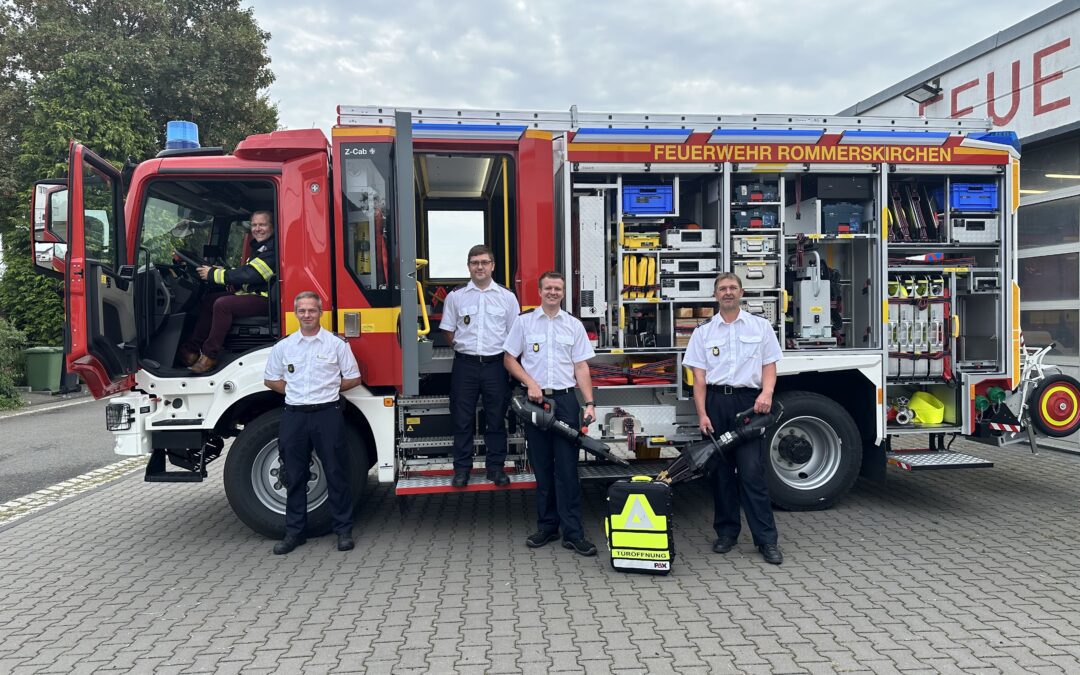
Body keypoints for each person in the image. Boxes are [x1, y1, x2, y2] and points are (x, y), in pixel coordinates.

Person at [684, 272, 784, 564]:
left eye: (732, 288)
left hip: (748, 405)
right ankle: (726, 533)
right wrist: (702, 414)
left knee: (752, 472)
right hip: (716, 403)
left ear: (741, 293)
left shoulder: (761, 327)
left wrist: (766, 394)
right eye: (722, 289)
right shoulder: (703, 332)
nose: (727, 292)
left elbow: (769, 365)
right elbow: (698, 380)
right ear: (715, 295)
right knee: (721, 474)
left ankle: (766, 540)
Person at [503, 271, 598, 556]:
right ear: (539, 291)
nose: (553, 292)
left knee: (568, 470)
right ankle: (547, 527)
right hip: (536, 404)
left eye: (558, 288)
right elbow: (509, 358)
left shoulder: (574, 325)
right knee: (542, 468)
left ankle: (573, 533)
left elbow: (581, 367)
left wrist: (590, 403)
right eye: (548, 288)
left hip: (567, 402)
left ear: (563, 292)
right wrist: (530, 383)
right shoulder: (524, 323)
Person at [263, 291, 362, 555]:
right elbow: (271, 379)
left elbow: (354, 378)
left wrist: (328, 388)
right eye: (302, 311)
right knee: (294, 476)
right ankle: (294, 533)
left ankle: (343, 531)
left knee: (336, 473)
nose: (307, 315)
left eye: (312, 310)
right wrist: (296, 392)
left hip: (327, 415)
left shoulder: (336, 345)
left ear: (321, 313)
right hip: (295, 415)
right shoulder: (284, 347)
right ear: (296, 314)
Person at [440, 245, 520, 487]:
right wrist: (466, 349)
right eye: (475, 263)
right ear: (468, 267)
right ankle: (462, 470)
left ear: (492, 265)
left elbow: (515, 334)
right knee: (461, 419)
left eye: (484, 262)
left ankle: (495, 469)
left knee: (496, 419)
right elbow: (448, 331)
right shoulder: (456, 296)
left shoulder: (507, 297)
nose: (480, 267)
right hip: (466, 365)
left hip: (496, 366)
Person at [179, 210, 277, 374]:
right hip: (254, 295)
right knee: (209, 300)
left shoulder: (272, 249)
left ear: (272, 227)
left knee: (223, 304)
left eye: (262, 224)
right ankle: (192, 350)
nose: (257, 228)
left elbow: (253, 274)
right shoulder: (261, 247)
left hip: (267, 300)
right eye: (254, 225)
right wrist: (225, 271)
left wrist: (214, 274)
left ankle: (210, 356)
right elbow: (247, 271)